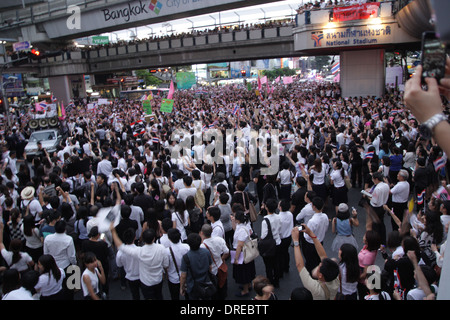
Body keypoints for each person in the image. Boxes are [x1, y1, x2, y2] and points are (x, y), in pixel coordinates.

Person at [111, 224, 169, 300]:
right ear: (154, 238)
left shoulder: (140, 251)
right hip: (158, 279)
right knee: (159, 296)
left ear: (143, 240)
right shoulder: (161, 248)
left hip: (146, 282)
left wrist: (113, 231)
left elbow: (121, 247)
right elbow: (166, 264)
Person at [291, 224, 340, 300]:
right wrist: (311, 233)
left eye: (319, 267)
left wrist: (296, 242)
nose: (319, 264)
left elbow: (299, 265)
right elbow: (323, 256)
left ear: (320, 275)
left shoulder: (315, 289)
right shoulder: (334, 278)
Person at [43, 220, 77, 299]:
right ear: (65, 229)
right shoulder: (68, 239)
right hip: (66, 265)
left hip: (53, 265)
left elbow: (45, 253)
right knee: (69, 288)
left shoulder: (48, 238)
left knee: (56, 287)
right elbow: (71, 256)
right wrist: (74, 264)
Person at [179, 232, 213, 300]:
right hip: (206, 282)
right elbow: (210, 267)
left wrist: (182, 287)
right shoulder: (206, 252)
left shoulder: (186, 257)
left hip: (192, 285)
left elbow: (183, 276)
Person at [200, 223, 230, 300]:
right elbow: (226, 252)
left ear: (202, 233)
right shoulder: (219, 240)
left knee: (214, 292)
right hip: (220, 266)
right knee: (222, 286)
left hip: (211, 271)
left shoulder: (202, 246)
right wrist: (221, 259)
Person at [301, 197, 329, 273]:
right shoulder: (325, 216)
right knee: (319, 260)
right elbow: (326, 228)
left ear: (314, 206)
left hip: (311, 244)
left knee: (310, 263)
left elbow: (307, 236)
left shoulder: (312, 221)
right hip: (320, 242)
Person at [231, 211, 256, 297]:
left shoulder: (241, 230)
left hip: (242, 252)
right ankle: (248, 285)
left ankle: (245, 290)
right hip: (247, 251)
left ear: (238, 219)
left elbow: (239, 245)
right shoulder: (243, 225)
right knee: (248, 270)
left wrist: (236, 258)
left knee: (243, 272)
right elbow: (234, 229)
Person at [81, 226, 111, 297]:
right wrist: (104, 242)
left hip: (90, 265)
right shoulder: (102, 244)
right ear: (98, 235)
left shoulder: (85, 243)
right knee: (104, 281)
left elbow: (82, 253)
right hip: (102, 264)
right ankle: (105, 293)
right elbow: (107, 254)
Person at [260, 198, 282, 288]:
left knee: (268, 265)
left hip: (269, 245)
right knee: (276, 263)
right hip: (277, 242)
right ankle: (277, 281)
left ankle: (270, 281)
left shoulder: (265, 220)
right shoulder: (279, 217)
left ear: (266, 208)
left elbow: (263, 235)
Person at [115, 228, 140, 300]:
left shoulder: (120, 252)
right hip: (141, 275)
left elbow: (119, 265)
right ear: (135, 237)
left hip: (130, 276)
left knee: (135, 294)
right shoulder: (139, 250)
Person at [165, 228, 190, 300]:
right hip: (186, 276)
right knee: (188, 296)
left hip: (173, 278)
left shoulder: (167, 251)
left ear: (169, 239)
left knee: (174, 296)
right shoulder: (187, 247)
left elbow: (166, 265)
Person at [278, 199, 294, 275]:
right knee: (286, 252)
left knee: (280, 254)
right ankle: (286, 267)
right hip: (288, 237)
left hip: (281, 238)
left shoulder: (278, 217)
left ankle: (281, 269)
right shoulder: (290, 214)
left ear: (280, 207)